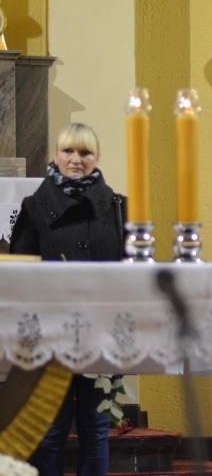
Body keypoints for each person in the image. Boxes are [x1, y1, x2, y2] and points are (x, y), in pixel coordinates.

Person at [10, 122, 126, 476]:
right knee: (50, 430)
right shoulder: (34, 207)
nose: (76, 159)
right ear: (56, 155)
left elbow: (132, 271)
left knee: (96, 427)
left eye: (85, 152)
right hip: (51, 333)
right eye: (68, 151)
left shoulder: (117, 207)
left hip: (101, 331)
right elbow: (20, 271)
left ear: (97, 157)